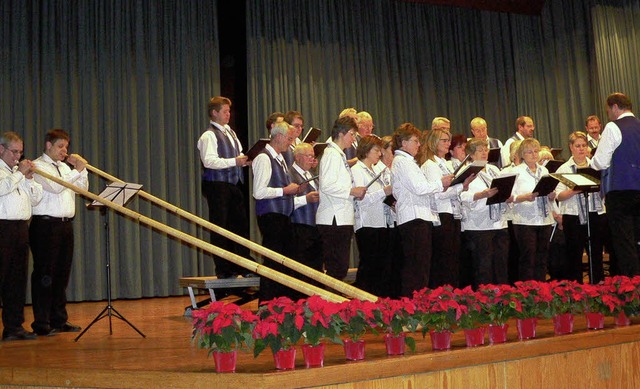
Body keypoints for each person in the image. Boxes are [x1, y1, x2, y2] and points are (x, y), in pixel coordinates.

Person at [30, 128, 88, 336]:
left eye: (66, 147)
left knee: (62, 274)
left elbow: (82, 188)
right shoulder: (38, 166)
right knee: (45, 274)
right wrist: (75, 171)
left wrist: (82, 170)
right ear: (48, 145)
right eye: (60, 146)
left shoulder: (64, 168)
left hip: (65, 225)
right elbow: (55, 187)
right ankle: (42, 323)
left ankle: (58, 319)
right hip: (45, 226)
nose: (64, 151)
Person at [391, 123, 451, 296]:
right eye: (415, 141)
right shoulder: (403, 162)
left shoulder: (408, 162)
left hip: (419, 216)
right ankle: (413, 304)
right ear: (403, 143)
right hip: (413, 218)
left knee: (421, 264)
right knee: (416, 265)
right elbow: (419, 187)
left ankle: (418, 303)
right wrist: (441, 183)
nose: (419, 144)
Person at [197, 96, 251, 279]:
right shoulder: (209, 135)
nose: (229, 114)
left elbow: (238, 154)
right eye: (225, 111)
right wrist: (234, 161)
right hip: (217, 185)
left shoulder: (231, 133)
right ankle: (223, 269)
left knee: (240, 225)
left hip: (233, 184)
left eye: (229, 111)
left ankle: (242, 264)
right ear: (214, 113)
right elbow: (209, 161)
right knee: (220, 227)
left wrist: (244, 160)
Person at [0, 132, 43, 341]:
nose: (18, 156)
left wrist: (29, 178)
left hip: (20, 229)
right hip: (2, 228)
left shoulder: (17, 172)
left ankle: (13, 327)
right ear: (1, 149)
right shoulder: (3, 172)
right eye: (14, 151)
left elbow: (35, 199)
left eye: (20, 152)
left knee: (16, 281)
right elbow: (2, 188)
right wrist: (19, 175)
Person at [591, 92, 640, 276]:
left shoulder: (613, 127)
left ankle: (632, 290)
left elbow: (601, 162)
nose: (608, 114)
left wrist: (591, 162)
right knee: (638, 240)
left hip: (620, 191)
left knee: (624, 243)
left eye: (608, 110)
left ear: (614, 107)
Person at [252, 122, 300, 301]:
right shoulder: (264, 158)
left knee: (284, 261)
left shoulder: (280, 158)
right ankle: (267, 303)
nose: (290, 142)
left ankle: (282, 303)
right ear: (278, 136)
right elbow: (259, 192)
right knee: (273, 262)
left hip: (282, 216)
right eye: (289, 138)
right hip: (271, 216)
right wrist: (285, 190)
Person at [316, 116, 367, 281]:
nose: (353, 140)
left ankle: (332, 303)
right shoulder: (331, 154)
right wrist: (352, 191)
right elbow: (327, 185)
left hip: (341, 217)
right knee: (336, 268)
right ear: (341, 133)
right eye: (352, 134)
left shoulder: (339, 155)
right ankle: (329, 304)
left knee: (340, 267)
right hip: (333, 218)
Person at [421, 129, 472, 288]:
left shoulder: (446, 163)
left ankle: (452, 292)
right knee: (443, 258)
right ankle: (442, 295)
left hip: (453, 213)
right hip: (441, 214)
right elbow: (437, 194)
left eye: (448, 140)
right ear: (434, 142)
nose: (448, 144)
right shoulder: (430, 164)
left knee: (453, 257)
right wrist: (460, 187)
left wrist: (462, 185)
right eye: (444, 140)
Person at [555, 131, 607, 283]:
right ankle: (576, 289)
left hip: (595, 213)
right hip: (573, 215)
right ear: (571, 147)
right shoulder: (564, 168)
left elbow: (605, 189)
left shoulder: (595, 166)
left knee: (596, 251)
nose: (581, 149)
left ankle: (597, 285)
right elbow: (558, 195)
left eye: (584, 145)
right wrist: (574, 190)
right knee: (574, 253)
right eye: (577, 146)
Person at [459, 138, 510, 288]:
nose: (484, 153)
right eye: (480, 150)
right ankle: (484, 301)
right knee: (483, 266)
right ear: (470, 154)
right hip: (479, 225)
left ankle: (502, 298)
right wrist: (482, 195)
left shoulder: (493, 169)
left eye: (486, 149)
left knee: (500, 264)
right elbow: (461, 196)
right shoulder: (467, 171)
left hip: (498, 222)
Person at [351, 135, 393, 296]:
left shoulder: (376, 170)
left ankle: (378, 300)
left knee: (380, 266)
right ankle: (364, 300)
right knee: (369, 264)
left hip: (381, 222)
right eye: (376, 150)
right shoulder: (357, 170)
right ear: (366, 150)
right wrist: (384, 191)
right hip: (367, 222)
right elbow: (361, 200)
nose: (380, 154)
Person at [511, 138, 555, 281]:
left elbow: (549, 189)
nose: (534, 154)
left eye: (536, 151)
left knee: (542, 256)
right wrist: (524, 197)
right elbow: (508, 196)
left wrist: (551, 195)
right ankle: (527, 291)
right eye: (529, 152)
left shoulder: (544, 170)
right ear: (522, 154)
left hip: (544, 218)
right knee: (528, 257)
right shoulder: (516, 171)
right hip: (525, 219)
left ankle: (541, 289)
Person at [288, 143, 322, 289]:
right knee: (302, 268)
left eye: (313, 156)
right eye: (309, 156)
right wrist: (305, 199)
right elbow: (284, 202)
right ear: (297, 157)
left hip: (314, 227)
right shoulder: (289, 173)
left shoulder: (311, 174)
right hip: (299, 226)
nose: (312, 159)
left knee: (316, 267)